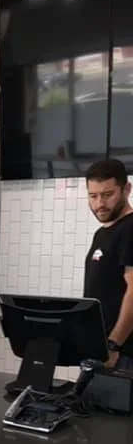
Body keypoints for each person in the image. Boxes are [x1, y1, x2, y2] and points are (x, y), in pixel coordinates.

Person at [84, 158, 133, 370]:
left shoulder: (130, 228)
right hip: (101, 350)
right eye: (93, 196)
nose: (99, 204)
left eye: (107, 195)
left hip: (122, 355)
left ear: (127, 189)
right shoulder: (103, 233)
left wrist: (113, 345)